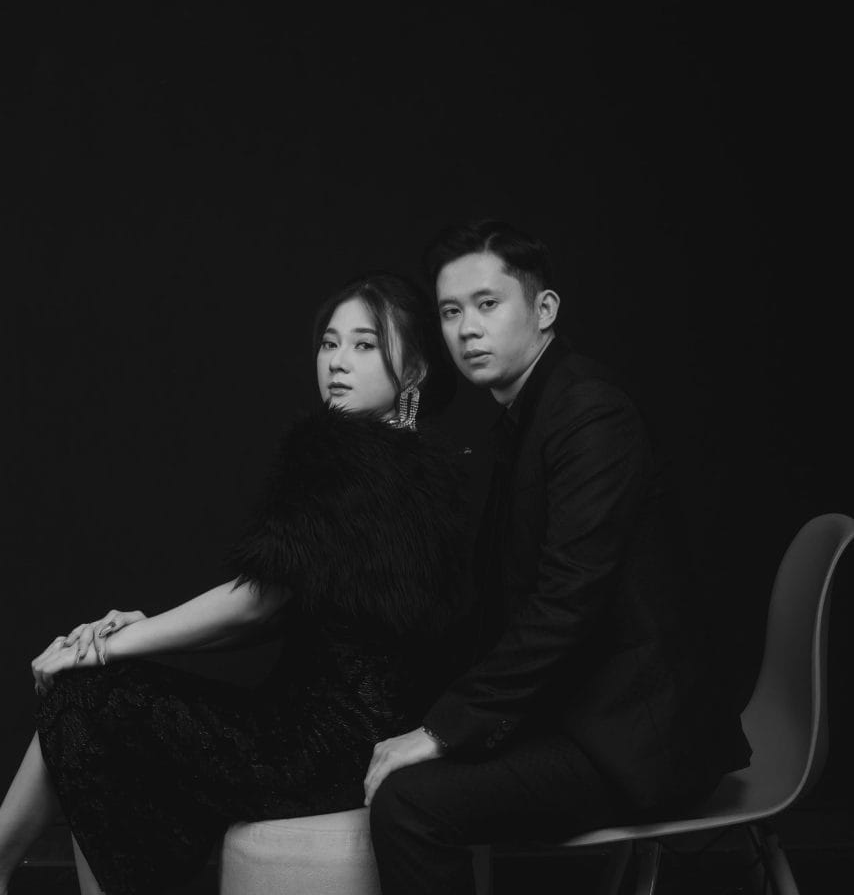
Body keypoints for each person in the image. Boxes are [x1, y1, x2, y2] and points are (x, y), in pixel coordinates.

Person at [0, 271, 465, 895]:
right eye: (329, 343)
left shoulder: (340, 459)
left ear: (415, 370)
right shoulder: (423, 470)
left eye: (364, 344)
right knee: (91, 698)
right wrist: (141, 633)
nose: (337, 362)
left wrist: (105, 648)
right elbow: (281, 608)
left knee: (84, 695)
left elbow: (257, 604)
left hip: (316, 749)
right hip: (358, 742)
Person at [366, 220, 752, 895]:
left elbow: (566, 604)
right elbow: (495, 599)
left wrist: (444, 730)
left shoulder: (589, 415)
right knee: (391, 748)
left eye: (488, 304)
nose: (467, 329)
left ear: (544, 309)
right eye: (451, 312)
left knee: (412, 804)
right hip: (578, 717)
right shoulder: (528, 416)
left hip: (633, 742)